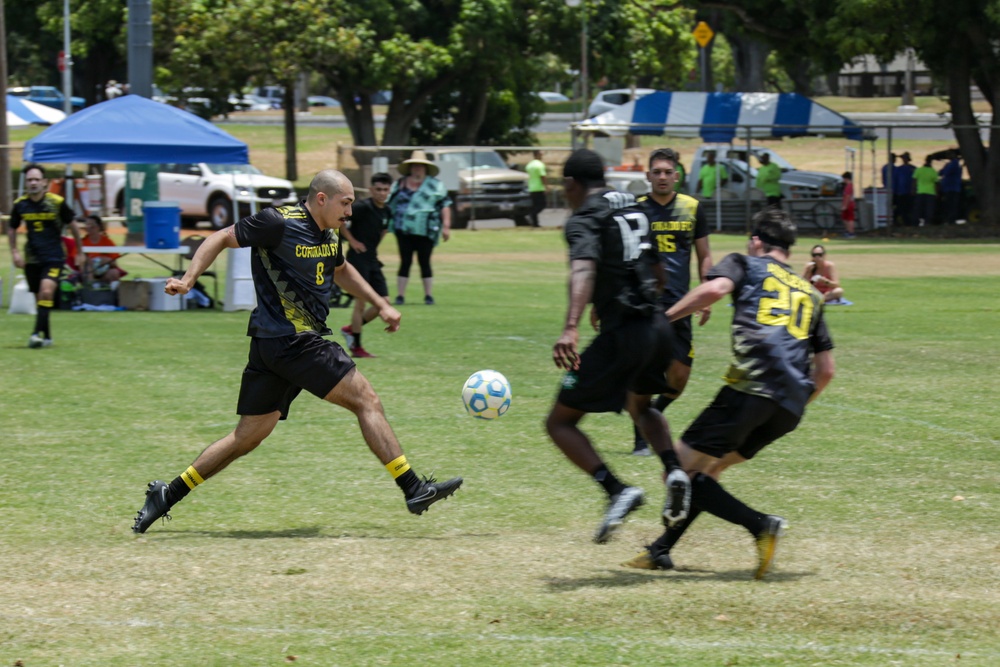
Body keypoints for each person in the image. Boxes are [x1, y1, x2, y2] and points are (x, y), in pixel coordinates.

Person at [131, 170, 462, 534]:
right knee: (366, 399)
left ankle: (167, 494)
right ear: (322, 198)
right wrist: (189, 279)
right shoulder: (277, 221)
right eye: (345, 202)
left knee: (247, 437)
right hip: (294, 340)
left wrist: (380, 304)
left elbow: (342, 270)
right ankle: (413, 487)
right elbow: (221, 237)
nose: (349, 211)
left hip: (273, 346)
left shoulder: (328, 233)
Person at [623, 207, 835, 579]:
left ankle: (760, 526)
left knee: (678, 474)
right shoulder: (811, 294)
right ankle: (661, 550)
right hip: (788, 409)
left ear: (756, 241)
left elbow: (716, 288)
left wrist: (663, 318)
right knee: (707, 474)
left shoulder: (745, 264)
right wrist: (797, 402)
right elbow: (826, 370)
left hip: (750, 390)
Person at [545, 149, 689, 545]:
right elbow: (659, 272)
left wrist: (571, 326)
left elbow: (584, 267)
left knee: (559, 422)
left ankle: (616, 490)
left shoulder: (583, 217)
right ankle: (675, 470)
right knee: (641, 406)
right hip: (659, 326)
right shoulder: (636, 208)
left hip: (623, 333)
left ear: (571, 185)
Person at [630, 148, 713, 456]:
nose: (662, 177)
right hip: (645, 304)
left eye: (668, 172)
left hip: (683, 303)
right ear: (647, 176)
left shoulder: (692, 208)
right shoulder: (636, 210)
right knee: (646, 371)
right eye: (657, 172)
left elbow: (704, 256)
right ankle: (640, 437)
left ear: (677, 176)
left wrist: (707, 292)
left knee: (679, 377)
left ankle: (654, 414)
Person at [7, 163, 81, 348]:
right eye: (30, 180)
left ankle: (35, 334)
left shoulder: (56, 202)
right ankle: (47, 337)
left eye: (36, 179)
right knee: (39, 298)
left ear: (44, 182)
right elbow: (11, 228)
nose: (33, 183)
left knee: (46, 292)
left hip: (54, 256)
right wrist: (14, 251)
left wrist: (80, 251)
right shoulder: (20, 205)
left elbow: (73, 224)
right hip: (32, 258)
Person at [339, 172, 393, 358]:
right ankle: (357, 346)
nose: (381, 193)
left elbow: (384, 230)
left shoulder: (387, 211)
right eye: (378, 189)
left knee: (384, 303)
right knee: (360, 303)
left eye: (385, 189)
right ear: (371, 189)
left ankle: (350, 329)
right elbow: (340, 222)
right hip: (358, 259)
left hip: (372, 259)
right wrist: (353, 241)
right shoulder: (361, 207)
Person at [388, 150, 452, 306]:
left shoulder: (436, 185)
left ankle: (428, 295)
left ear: (426, 168)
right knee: (405, 261)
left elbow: (445, 205)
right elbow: (390, 204)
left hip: (426, 229)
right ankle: (400, 295)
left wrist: (446, 226)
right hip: (403, 229)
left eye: (420, 166)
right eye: (414, 166)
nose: (417, 169)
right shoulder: (400, 184)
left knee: (425, 261)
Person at [77, 214, 127, 285]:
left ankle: (113, 293)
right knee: (88, 269)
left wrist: (105, 259)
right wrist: (86, 261)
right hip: (89, 271)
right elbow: (77, 262)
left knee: (114, 273)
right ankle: (91, 291)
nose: (89, 228)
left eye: (92, 225)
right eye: (87, 225)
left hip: (104, 270)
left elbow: (115, 263)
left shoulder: (107, 242)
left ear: (98, 227)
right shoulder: (82, 242)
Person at [913, 156, 939, 226]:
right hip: (930, 192)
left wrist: (914, 190)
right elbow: (936, 183)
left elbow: (914, 181)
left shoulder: (919, 170)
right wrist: (937, 193)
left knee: (918, 208)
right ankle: (927, 222)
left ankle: (917, 222)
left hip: (920, 192)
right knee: (929, 209)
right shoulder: (933, 171)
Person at [525, 150, 548, 227]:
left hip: (531, 187)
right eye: (541, 154)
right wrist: (546, 186)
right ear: (537, 154)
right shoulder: (540, 165)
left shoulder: (529, 165)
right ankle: (531, 214)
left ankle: (535, 223)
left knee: (535, 205)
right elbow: (542, 176)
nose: (542, 155)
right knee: (542, 205)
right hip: (539, 187)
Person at [938, 155, 963, 225]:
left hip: (951, 188)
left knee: (950, 205)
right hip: (952, 188)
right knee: (951, 205)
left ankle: (950, 220)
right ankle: (950, 219)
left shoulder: (953, 164)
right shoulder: (955, 164)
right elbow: (941, 173)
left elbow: (944, 172)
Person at [894, 152, 916, 226]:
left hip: (910, 192)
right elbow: (896, 180)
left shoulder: (913, 168)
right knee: (902, 208)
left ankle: (909, 222)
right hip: (901, 192)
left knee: (909, 208)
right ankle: (903, 221)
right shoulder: (899, 169)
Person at [840, 171, 856, 238]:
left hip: (849, 204)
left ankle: (851, 232)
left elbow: (847, 196)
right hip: (849, 204)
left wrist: (845, 206)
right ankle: (848, 231)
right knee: (845, 218)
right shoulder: (849, 186)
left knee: (849, 219)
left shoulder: (849, 186)